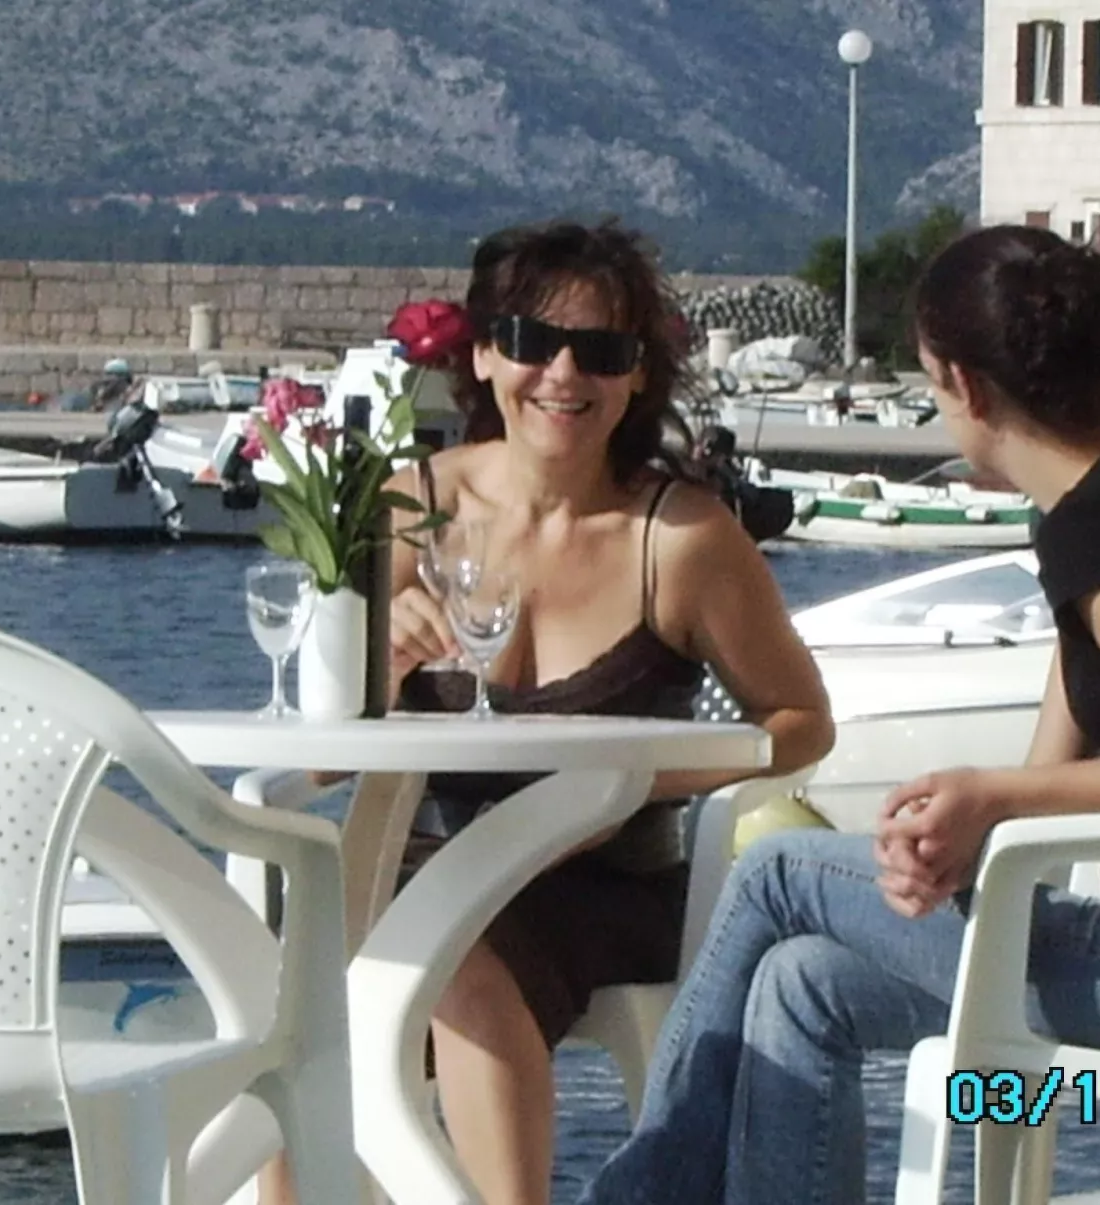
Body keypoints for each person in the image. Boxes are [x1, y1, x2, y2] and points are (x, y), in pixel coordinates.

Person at [577, 225, 1100, 1205]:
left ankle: (636, 1195)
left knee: (776, 873)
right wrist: (976, 835)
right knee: (801, 981)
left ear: (964, 386)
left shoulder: (1098, 529)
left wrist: (990, 790)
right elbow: (1067, 744)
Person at [258, 219, 834, 1205]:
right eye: (533, 340)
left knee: (452, 952)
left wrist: (634, 777)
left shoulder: (680, 535)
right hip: (412, 855)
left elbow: (800, 722)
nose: (564, 374)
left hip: (598, 879)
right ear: (485, 354)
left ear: (637, 376)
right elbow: (312, 761)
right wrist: (376, 675)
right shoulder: (408, 505)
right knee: (299, 969)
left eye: (602, 351)